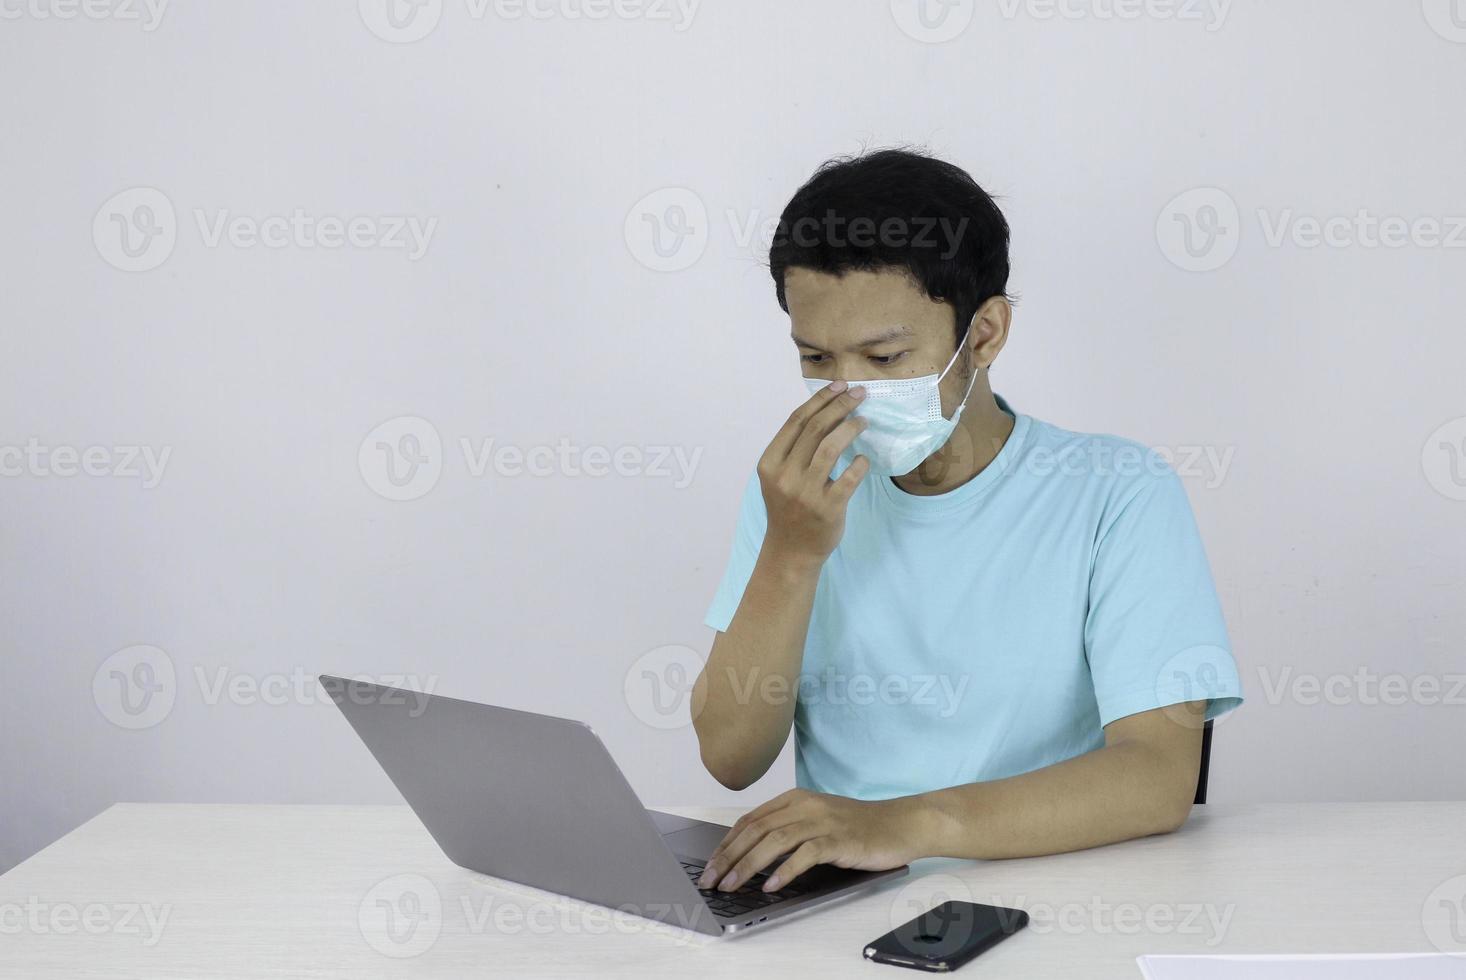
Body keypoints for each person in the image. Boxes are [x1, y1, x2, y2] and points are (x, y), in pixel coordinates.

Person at [691, 148, 1244, 896]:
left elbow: (1155, 776)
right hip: (841, 908)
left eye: (885, 357)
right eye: (816, 357)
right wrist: (790, 554)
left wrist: (903, 825)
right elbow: (730, 757)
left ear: (984, 333)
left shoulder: (1117, 492)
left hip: (1063, 894)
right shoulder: (797, 494)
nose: (847, 391)